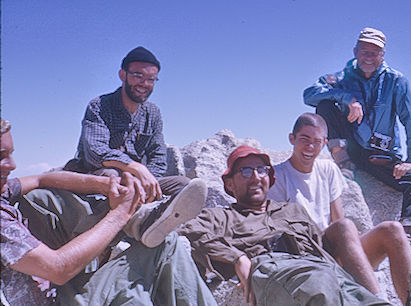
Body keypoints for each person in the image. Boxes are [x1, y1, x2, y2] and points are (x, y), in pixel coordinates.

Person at [1, 119, 217, 305]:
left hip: (62, 290)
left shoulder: (3, 190)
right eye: (2, 155)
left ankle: (138, 218)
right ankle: (134, 219)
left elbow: (41, 179)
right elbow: (58, 269)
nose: (12, 165)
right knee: (167, 246)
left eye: (11, 154)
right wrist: (120, 213)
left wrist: (107, 184)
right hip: (61, 299)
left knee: (39, 195)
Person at [178, 145, 390, 306]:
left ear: (270, 180)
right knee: (320, 287)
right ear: (230, 184)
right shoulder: (220, 216)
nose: (255, 176)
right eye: (245, 171)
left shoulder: (293, 211)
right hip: (276, 270)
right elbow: (189, 230)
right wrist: (236, 257)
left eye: (261, 170)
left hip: (322, 270)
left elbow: (323, 248)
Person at [303, 27, 411, 266]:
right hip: (352, 150)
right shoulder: (341, 78)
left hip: (381, 155)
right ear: (355, 51)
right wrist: (345, 98)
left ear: (382, 55)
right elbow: (309, 94)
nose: (368, 57)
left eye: (375, 53)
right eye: (365, 51)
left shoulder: (396, 81)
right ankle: (344, 162)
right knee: (324, 105)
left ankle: (410, 238)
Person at [268, 113, 411, 305]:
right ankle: (378, 302)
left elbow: (337, 219)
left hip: (335, 256)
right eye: (304, 139)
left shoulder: (328, 169)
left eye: (317, 141)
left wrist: (350, 253)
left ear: (324, 143)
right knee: (344, 226)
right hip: (307, 259)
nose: (310, 147)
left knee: (392, 230)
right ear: (292, 138)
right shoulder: (277, 177)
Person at [64, 46, 189, 205]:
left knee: (184, 185)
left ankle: (149, 211)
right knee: (112, 175)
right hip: (100, 177)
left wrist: (148, 180)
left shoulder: (153, 113)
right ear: (123, 75)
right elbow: (96, 153)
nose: (144, 83)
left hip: (140, 181)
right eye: (138, 76)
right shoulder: (99, 106)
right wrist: (136, 168)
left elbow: (158, 157)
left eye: (151, 79)